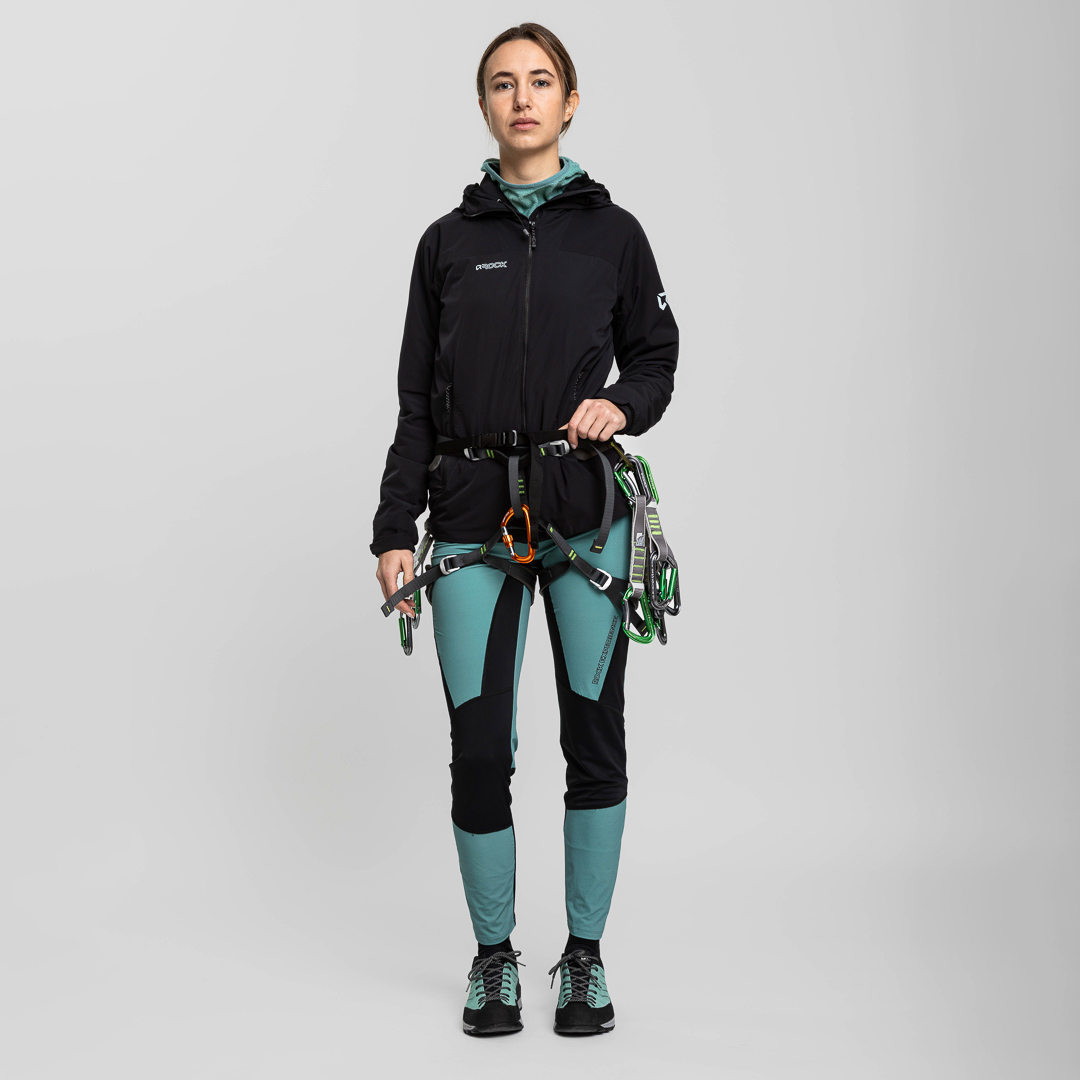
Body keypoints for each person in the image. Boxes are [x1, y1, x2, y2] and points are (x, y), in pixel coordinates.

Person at [371, 22, 678, 1037]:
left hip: (586, 519)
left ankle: (584, 958)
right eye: (503, 83)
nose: (523, 97)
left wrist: (620, 405)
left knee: (593, 735)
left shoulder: (614, 234)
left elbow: (656, 355)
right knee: (478, 749)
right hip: (468, 520)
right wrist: (393, 525)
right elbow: (415, 402)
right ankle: (493, 959)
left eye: (541, 81)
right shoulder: (447, 244)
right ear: (484, 106)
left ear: (570, 102)